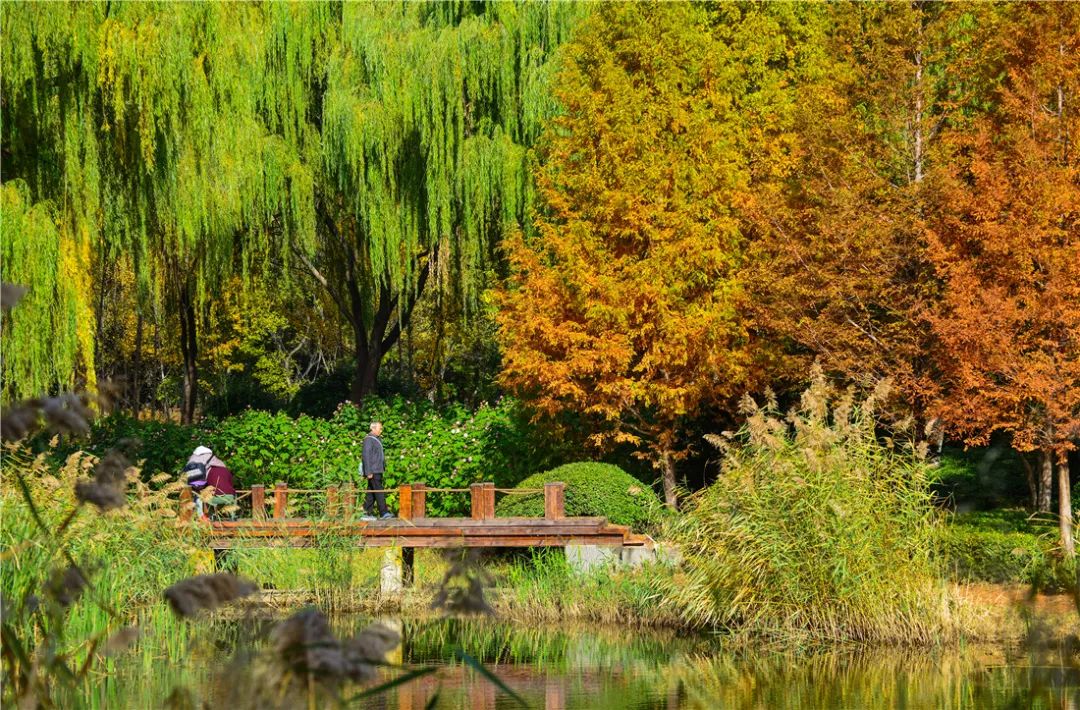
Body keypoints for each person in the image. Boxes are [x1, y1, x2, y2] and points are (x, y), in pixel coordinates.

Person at [184, 446, 237, 521]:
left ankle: (201, 517)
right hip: (231, 497)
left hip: (216, 498)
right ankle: (231, 518)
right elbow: (231, 485)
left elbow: (201, 487)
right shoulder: (224, 469)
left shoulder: (209, 470)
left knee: (199, 497)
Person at [361, 422, 393, 520]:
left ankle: (366, 513)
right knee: (379, 491)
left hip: (377, 470)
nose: (381, 430)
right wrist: (368, 471)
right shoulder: (369, 440)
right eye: (380, 428)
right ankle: (384, 513)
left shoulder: (376, 439)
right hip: (373, 471)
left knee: (371, 492)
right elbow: (366, 456)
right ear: (373, 429)